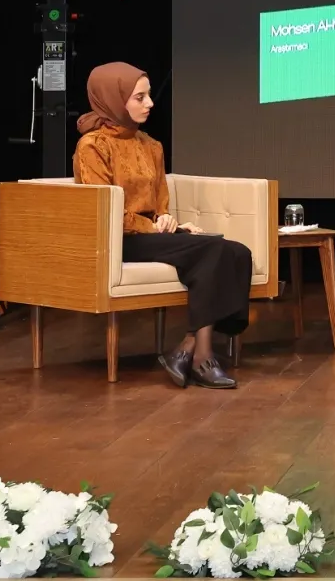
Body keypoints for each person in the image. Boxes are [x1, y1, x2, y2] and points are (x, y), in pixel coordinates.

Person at [72, 62, 252, 389]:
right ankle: (201, 356)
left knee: (237, 252)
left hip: (150, 235)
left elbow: (159, 204)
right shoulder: (93, 146)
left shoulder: (151, 145)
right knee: (214, 249)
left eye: (149, 95)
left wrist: (168, 221)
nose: (150, 103)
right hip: (118, 238)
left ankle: (186, 347)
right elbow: (104, 211)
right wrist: (153, 226)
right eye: (140, 97)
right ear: (114, 99)